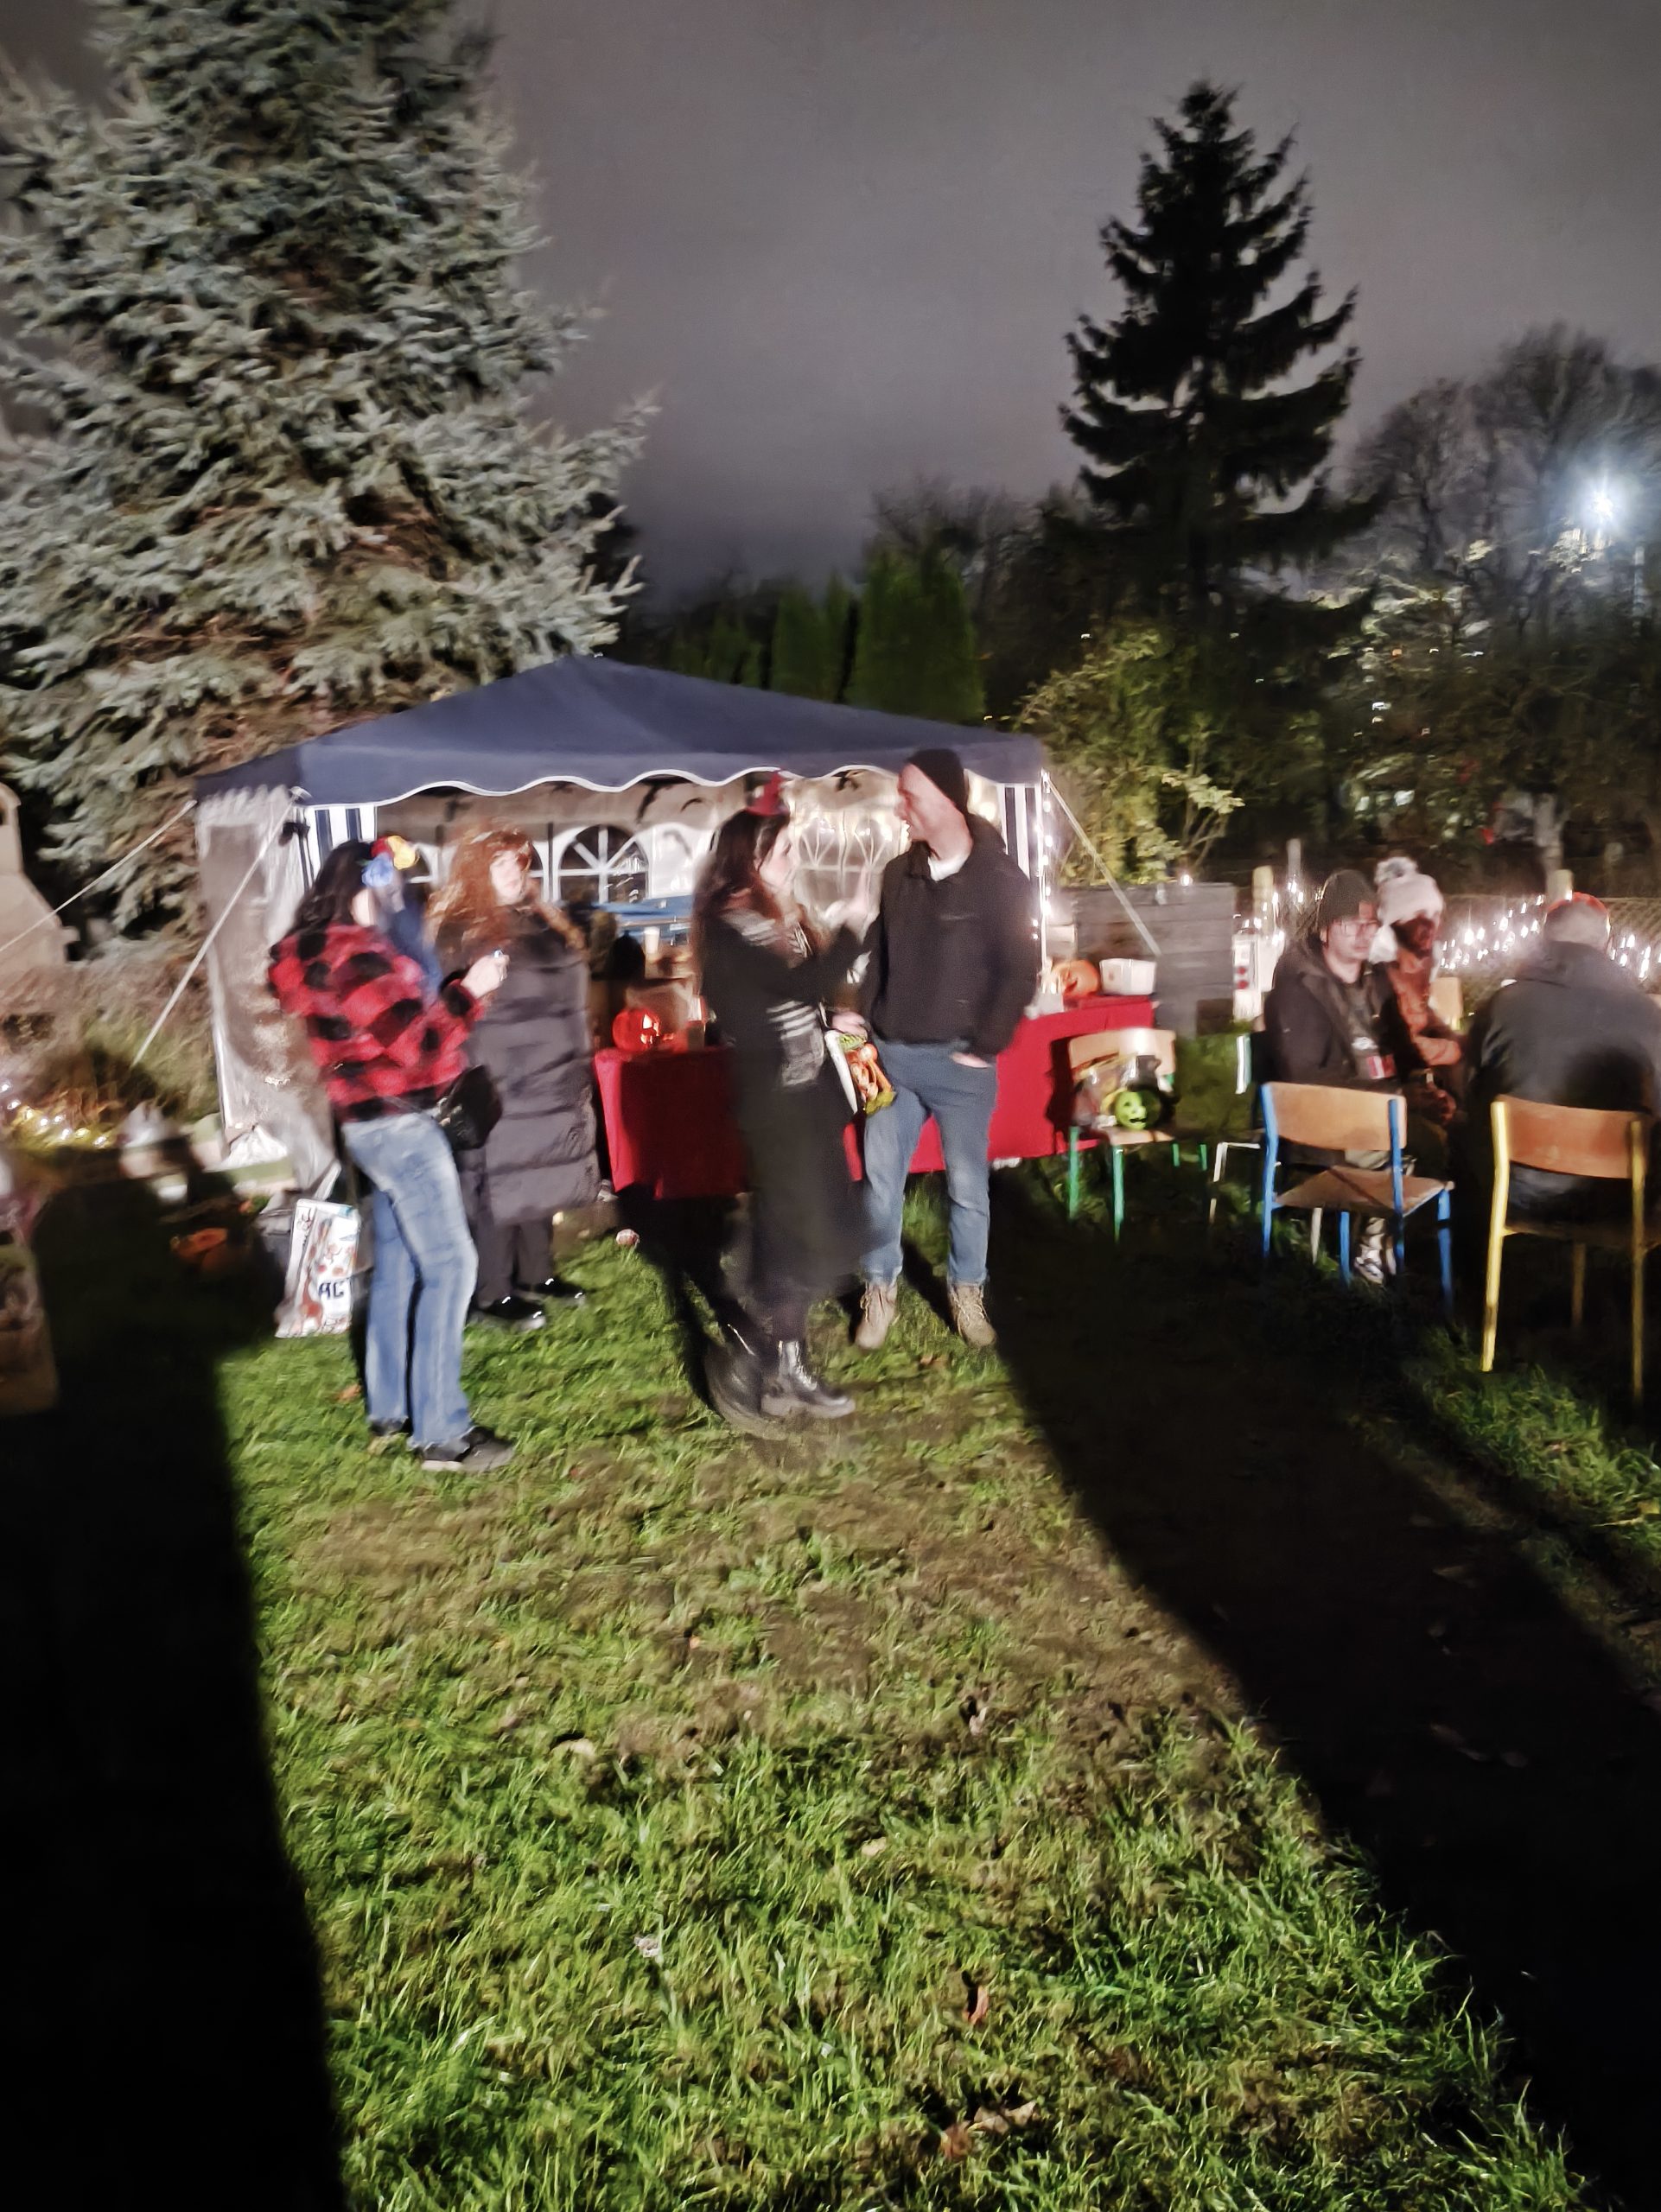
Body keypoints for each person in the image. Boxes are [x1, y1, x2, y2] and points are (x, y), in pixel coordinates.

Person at [268, 840, 514, 1471]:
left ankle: (390, 1405)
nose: (390, 898)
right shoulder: (355, 956)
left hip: (369, 1128)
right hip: (402, 1129)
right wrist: (472, 991)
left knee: (402, 1263)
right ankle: (442, 1433)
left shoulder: (318, 955)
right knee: (452, 1266)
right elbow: (419, 1046)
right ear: (359, 888)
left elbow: (384, 1037)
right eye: (383, 885)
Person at [853, 748, 1039, 1352]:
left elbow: (1020, 968)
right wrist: (861, 1015)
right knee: (880, 1184)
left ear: (946, 799)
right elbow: (879, 955)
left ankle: (967, 1290)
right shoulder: (897, 876)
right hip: (892, 1060)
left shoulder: (1000, 880)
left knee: (967, 1188)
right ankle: (880, 1286)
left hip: (961, 1064)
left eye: (909, 796)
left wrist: (985, 1046)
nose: (899, 808)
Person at [694, 784, 866, 1427]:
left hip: (806, 1094)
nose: (795, 860)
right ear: (752, 857)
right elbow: (790, 991)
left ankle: (780, 1364)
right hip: (774, 1105)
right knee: (794, 1233)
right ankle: (762, 1365)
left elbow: (796, 1001)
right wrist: (851, 928)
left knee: (801, 1230)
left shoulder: (778, 920)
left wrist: (830, 1021)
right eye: (785, 850)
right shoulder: (731, 929)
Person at [430, 828, 599, 1328]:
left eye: (518, 861)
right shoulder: (461, 931)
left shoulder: (541, 920)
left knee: (538, 1173)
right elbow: (451, 1006)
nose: (512, 872)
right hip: (501, 1078)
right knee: (499, 1184)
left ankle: (536, 1272)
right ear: (474, 871)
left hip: (550, 1076)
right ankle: (492, 1290)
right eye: (499, 862)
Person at [1263, 868, 1428, 1284]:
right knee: (1417, 1146)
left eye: (1369, 924)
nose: (1362, 933)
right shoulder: (1298, 989)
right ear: (1325, 930)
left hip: (1382, 1109)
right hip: (1322, 1125)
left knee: (1450, 1130)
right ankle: (1372, 1252)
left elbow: (1403, 1049)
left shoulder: (1376, 983)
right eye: (1350, 924)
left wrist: (1424, 1080)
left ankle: (1419, 1249)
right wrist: (1391, 1095)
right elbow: (1304, 1079)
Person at [1467, 892, 1661, 1219]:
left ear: (1544, 941)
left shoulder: (1504, 1005)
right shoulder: (1647, 1014)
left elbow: (1471, 1091)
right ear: (1606, 944)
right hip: (1618, 1197)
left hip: (1514, 1187)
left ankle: (1465, 1242)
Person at [1372, 857, 1463, 1107]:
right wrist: (1450, 1048)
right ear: (1396, 921)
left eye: (1435, 915)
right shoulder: (1377, 972)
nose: (1430, 925)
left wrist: (1460, 1041)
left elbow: (1424, 1013)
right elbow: (1395, 1041)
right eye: (1419, 914)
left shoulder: (1425, 961)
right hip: (1396, 1075)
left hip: (1422, 1057)